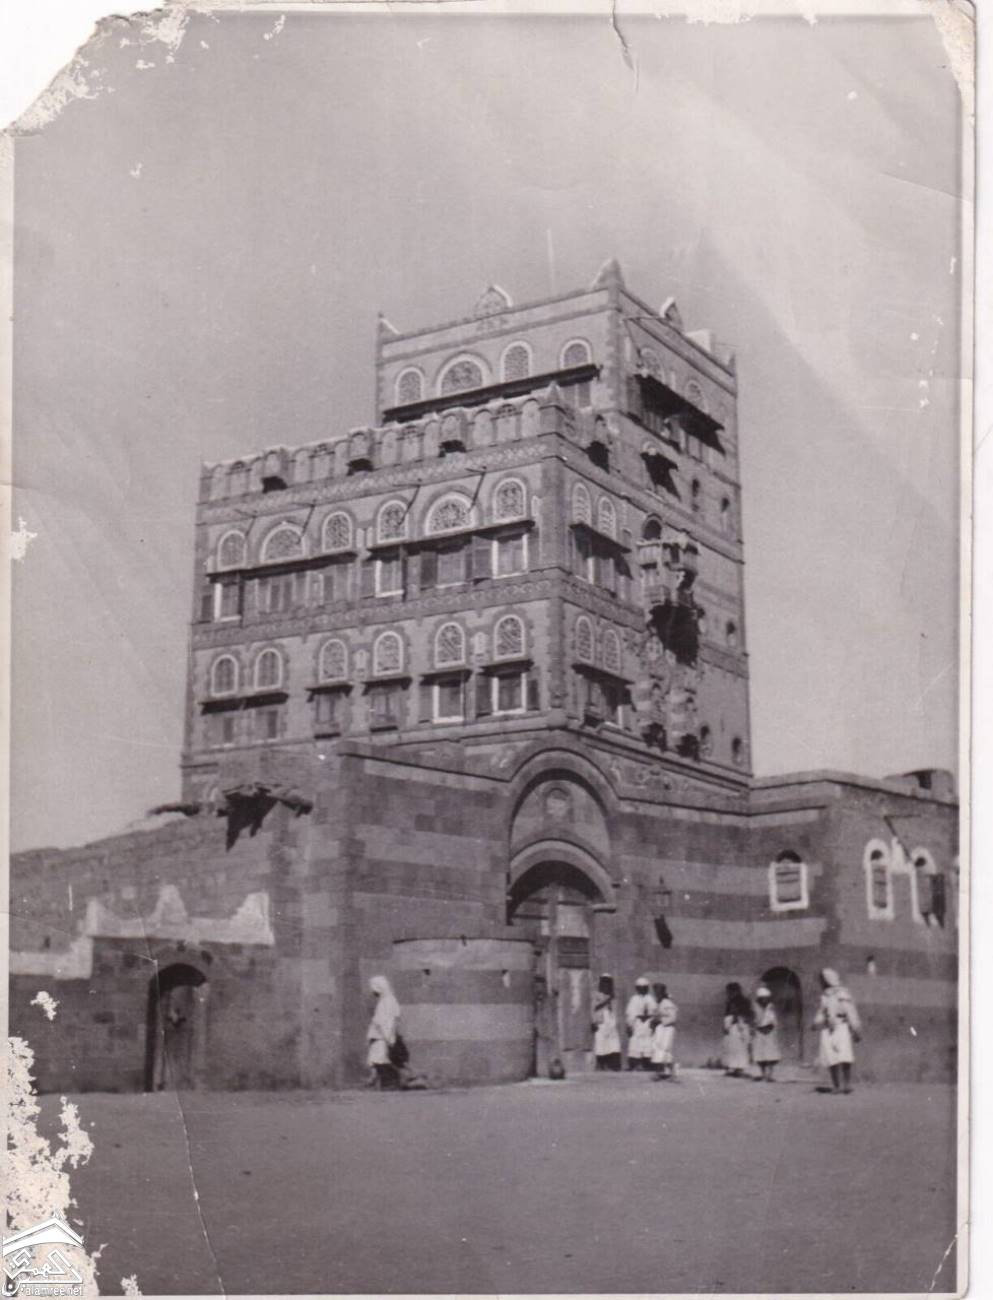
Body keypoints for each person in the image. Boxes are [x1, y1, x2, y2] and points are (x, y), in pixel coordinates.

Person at [813, 968, 861, 1094]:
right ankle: (836, 1085)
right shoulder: (825, 995)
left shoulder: (842, 994)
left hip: (841, 1026)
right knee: (831, 1057)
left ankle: (847, 1084)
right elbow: (822, 1011)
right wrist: (816, 1022)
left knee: (845, 1056)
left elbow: (850, 1011)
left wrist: (855, 1028)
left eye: (823, 980)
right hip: (827, 1028)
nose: (822, 982)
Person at [367, 974, 402, 1090]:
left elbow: (385, 1022)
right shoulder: (385, 1001)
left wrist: (388, 1037)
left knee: (380, 1059)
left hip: (382, 1036)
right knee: (376, 1059)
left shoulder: (387, 1001)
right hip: (379, 1036)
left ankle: (389, 1083)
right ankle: (377, 1081)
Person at [626, 976, 657, 1071]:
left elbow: (654, 1011)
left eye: (644, 987)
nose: (642, 989)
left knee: (648, 1043)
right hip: (637, 1023)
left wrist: (652, 1021)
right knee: (635, 1043)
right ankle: (634, 1065)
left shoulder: (650, 998)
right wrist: (629, 1025)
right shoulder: (634, 999)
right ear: (637, 988)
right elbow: (630, 1013)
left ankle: (646, 1065)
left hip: (647, 1023)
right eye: (640, 988)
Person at [592, 974, 622, 1071]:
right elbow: (594, 1007)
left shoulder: (613, 996)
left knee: (613, 1042)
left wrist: (614, 1021)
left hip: (610, 1019)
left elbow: (615, 1010)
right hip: (601, 1019)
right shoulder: (596, 995)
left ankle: (612, 1064)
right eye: (604, 982)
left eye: (608, 982)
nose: (606, 985)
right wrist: (593, 1021)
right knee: (600, 1041)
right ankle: (600, 1064)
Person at [751, 985, 780, 1082]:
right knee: (760, 1055)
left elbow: (773, 1020)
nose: (765, 1000)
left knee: (771, 1054)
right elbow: (753, 1020)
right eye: (763, 998)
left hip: (769, 1032)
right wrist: (757, 1028)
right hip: (759, 1032)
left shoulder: (770, 1006)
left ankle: (769, 1075)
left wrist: (770, 1027)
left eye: (766, 998)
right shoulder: (755, 1007)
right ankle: (763, 1074)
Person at [722, 982, 752, 1077]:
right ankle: (733, 1067)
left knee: (739, 1048)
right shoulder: (730, 1001)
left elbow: (739, 1014)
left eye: (730, 991)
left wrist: (731, 1023)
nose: (728, 994)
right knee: (732, 1047)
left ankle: (739, 1069)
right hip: (732, 1026)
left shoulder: (742, 1001)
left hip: (738, 1026)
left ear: (735, 991)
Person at [650, 982, 678, 1081]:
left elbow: (673, 1017)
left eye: (658, 992)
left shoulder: (668, 1003)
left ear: (662, 992)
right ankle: (660, 1072)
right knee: (658, 1048)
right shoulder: (659, 1003)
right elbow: (656, 1015)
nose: (657, 994)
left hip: (667, 1029)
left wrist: (660, 1020)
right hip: (660, 1029)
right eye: (655, 992)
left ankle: (671, 1072)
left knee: (665, 1049)